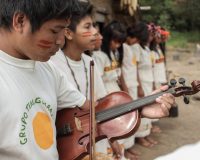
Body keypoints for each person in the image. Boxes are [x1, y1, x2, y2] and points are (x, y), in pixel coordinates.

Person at [0, 0, 175, 159]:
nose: (61, 41)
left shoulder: (47, 69)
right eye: (54, 31)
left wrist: (138, 109)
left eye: (64, 30)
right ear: (20, 21)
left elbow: (90, 109)